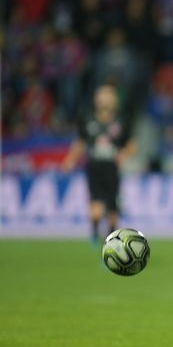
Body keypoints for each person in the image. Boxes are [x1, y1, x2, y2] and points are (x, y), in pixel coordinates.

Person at [63, 84, 135, 244]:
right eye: (102, 94)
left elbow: (131, 144)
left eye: (109, 94)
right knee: (95, 206)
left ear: (115, 99)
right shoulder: (88, 119)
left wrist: (123, 153)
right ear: (96, 98)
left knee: (112, 208)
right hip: (94, 167)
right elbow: (80, 141)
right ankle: (95, 234)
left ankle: (111, 240)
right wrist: (70, 159)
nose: (105, 98)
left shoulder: (121, 121)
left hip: (111, 169)